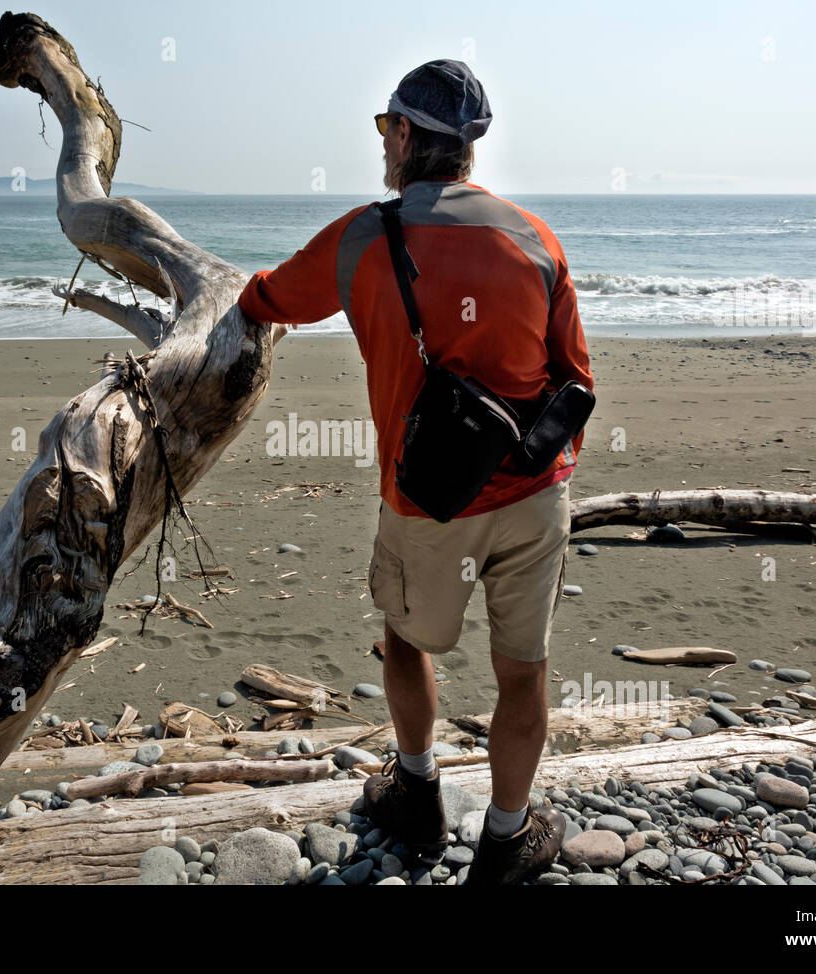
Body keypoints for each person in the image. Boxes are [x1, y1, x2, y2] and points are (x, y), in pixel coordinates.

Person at [236, 59, 593, 885]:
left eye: (383, 131)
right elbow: (574, 376)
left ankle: (418, 792)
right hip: (536, 497)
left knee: (403, 636)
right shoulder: (535, 239)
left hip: (425, 502)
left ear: (404, 134)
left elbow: (266, 299)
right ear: (468, 148)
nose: (381, 147)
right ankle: (506, 838)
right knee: (524, 670)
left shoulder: (365, 236)